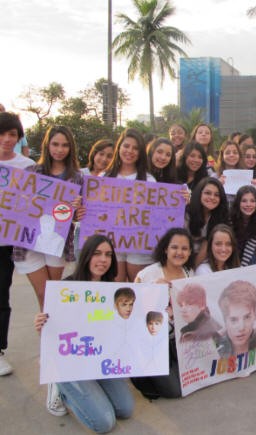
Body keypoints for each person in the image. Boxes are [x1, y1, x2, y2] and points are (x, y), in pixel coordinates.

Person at [34, 235, 135, 431]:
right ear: (86, 256)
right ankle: (60, 387)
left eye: (108, 255)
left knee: (126, 409)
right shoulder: (65, 289)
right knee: (105, 423)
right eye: (97, 254)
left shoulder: (113, 290)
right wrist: (41, 325)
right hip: (72, 362)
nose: (103, 260)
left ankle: (92, 389)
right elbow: (52, 334)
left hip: (100, 360)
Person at [13, 125, 84, 309]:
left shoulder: (77, 177)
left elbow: (77, 217)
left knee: (53, 295)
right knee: (42, 293)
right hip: (29, 242)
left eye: (65, 145)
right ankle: (46, 334)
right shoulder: (31, 172)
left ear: (71, 148)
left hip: (57, 242)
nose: (59, 150)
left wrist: (77, 209)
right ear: (47, 145)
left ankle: (50, 336)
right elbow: (18, 206)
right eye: (55, 144)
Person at [0, 112, 35, 376]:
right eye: (2, 134)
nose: (7, 139)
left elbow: (35, 205)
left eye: (12, 134)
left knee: (2, 293)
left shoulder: (27, 166)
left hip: (7, 242)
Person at [103, 128, 155, 282]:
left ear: (140, 153)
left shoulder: (149, 180)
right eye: (126, 146)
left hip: (139, 245)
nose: (130, 151)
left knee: (140, 291)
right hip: (112, 243)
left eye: (135, 148)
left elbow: (156, 214)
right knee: (115, 291)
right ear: (119, 147)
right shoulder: (103, 177)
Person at [186, 177, 230, 267]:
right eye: (207, 193)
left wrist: (193, 269)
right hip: (183, 256)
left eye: (217, 195)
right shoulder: (186, 212)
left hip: (203, 260)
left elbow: (206, 246)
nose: (212, 197)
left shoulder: (220, 216)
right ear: (199, 193)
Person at [216, 280, 256, 358]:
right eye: (233, 320)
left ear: (255, 315)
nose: (241, 327)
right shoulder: (215, 350)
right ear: (224, 320)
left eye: (247, 317)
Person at [230, 186, 256, 266]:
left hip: (246, 250)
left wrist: (242, 269)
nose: (248, 205)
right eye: (244, 201)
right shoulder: (230, 218)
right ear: (238, 202)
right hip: (230, 248)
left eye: (252, 201)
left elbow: (250, 247)